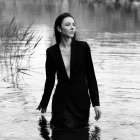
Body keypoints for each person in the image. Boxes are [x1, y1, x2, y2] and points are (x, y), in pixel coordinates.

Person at [37, 13, 101, 129]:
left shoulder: (83, 48)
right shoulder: (51, 52)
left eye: (74, 25)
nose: (72, 27)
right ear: (59, 28)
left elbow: (91, 77)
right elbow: (50, 80)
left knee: (80, 132)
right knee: (60, 132)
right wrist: (44, 102)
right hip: (61, 103)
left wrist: (96, 103)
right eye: (68, 25)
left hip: (81, 102)